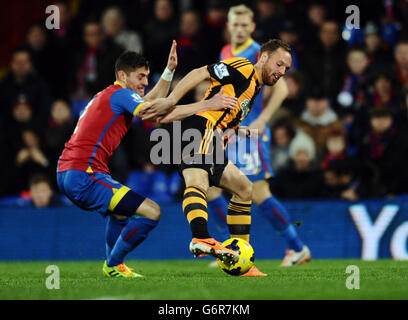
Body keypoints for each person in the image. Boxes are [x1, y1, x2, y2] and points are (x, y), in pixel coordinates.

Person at [56, 41, 238, 278]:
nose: (144, 82)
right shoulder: (120, 94)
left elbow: (152, 103)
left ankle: (114, 267)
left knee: (119, 214)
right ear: (122, 75)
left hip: (67, 171)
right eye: (140, 77)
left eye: (147, 76)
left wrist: (169, 71)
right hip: (85, 174)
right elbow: (156, 113)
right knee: (151, 212)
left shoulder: (112, 96)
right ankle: (113, 265)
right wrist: (207, 104)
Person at [139, 38, 293, 275]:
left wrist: (234, 131)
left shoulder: (254, 89)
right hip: (200, 128)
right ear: (263, 57)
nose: (281, 72)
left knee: (244, 189)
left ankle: (241, 260)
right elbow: (201, 72)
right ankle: (200, 238)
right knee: (198, 183)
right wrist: (171, 99)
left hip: (212, 136)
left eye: (286, 69)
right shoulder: (243, 67)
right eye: (279, 64)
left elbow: (223, 115)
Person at [204, 5, 311, 268]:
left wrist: (263, 120)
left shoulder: (258, 53)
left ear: (252, 27)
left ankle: (297, 248)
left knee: (259, 192)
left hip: (250, 133)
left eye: (244, 25)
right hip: (229, 131)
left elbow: (283, 88)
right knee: (210, 188)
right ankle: (232, 248)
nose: (239, 29)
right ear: (228, 26)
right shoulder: (225, 51)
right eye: (234, 24)